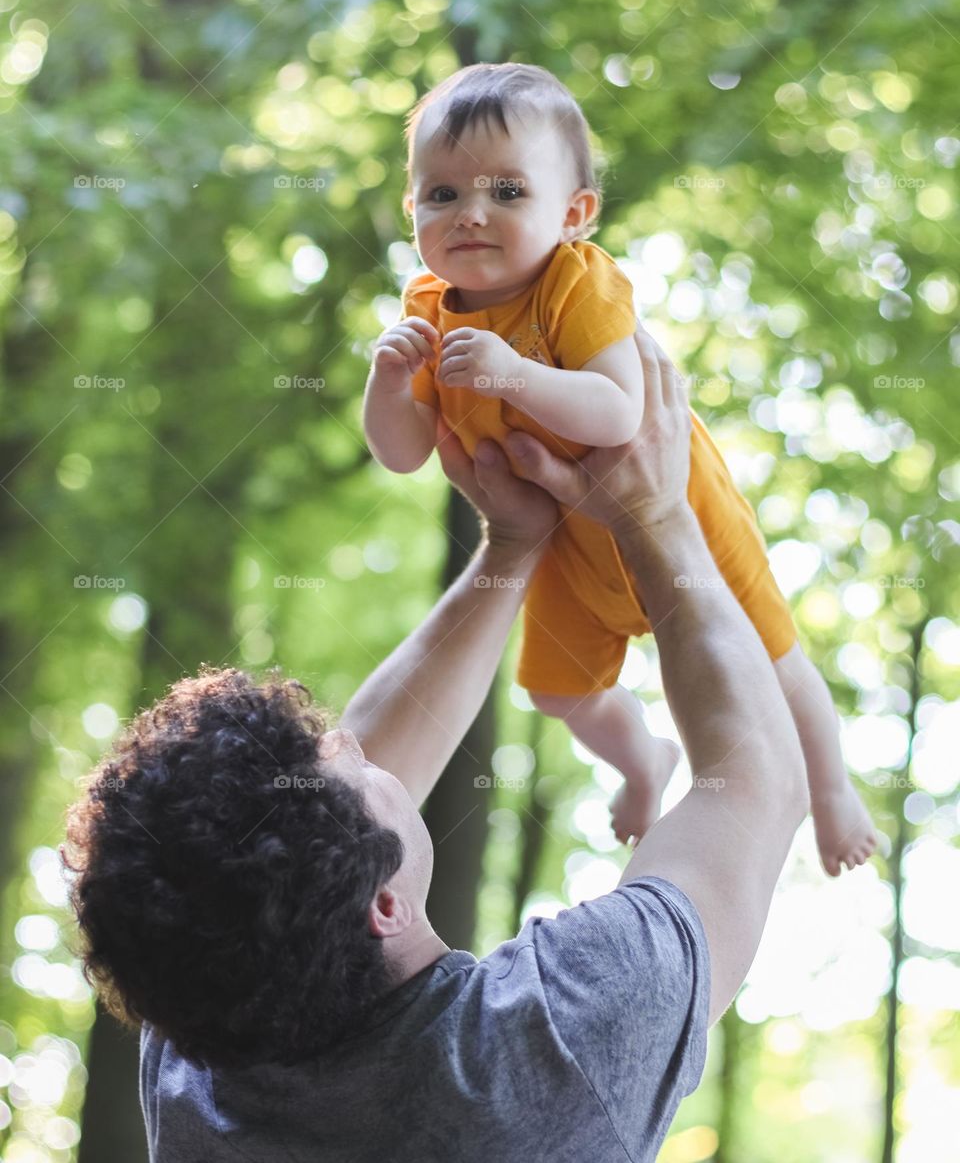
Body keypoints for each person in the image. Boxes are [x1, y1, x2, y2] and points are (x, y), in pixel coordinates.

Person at [64, 333, 809, 1162]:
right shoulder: (551, 1046)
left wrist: (512, 546)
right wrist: (660, 517)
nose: (350, 738)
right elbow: (756, 781)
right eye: (340, 762)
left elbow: (311, 854)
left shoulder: (200, 1029)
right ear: (384, 907)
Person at [362, 60, 876, 876]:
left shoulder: (578, 284)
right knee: (558, 692)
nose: (471, 214)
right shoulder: (425, 309)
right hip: (568, 543)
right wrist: (391, 385)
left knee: (772, 656)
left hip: (680, 509)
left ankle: (832, 786)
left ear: (574, 213)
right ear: (412, 207)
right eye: (442, 194)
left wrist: (510, 374)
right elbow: (404, 450)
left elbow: (617, 410)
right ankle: (642, 760)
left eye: (507, 191)